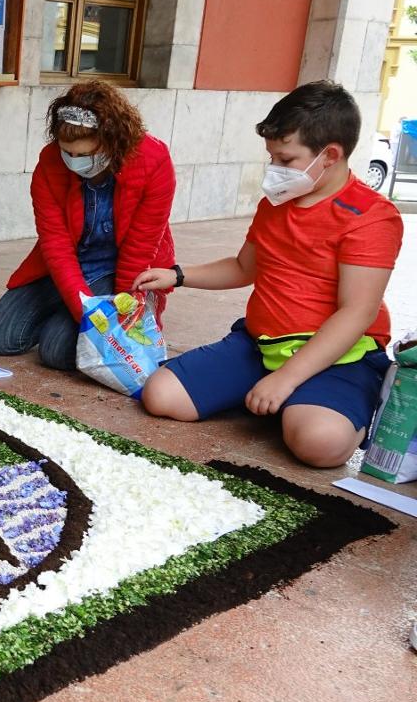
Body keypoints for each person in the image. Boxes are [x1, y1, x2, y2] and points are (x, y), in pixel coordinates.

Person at [135, 81, 402, 468]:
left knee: (320, 445)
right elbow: (244, 267)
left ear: (329, 155)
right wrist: (177, 275)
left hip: (339, 357)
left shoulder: (371, 217)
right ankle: (283, 401)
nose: (275, 169)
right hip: (261, 344)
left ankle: (318, 401)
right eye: (272, 157)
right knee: (160, 396)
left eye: (286, 159)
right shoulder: (275, 204)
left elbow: (356, 313)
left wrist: (287, 378)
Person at [0, 80, 176, 369]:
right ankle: (70, 306)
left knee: (55, 351)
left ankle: (82, 311)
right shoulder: (49, 164)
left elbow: (140, 245)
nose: (74, 162)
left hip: (118, 267)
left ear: (112, 142)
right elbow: (55, 244)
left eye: (85, 155)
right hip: (67, 263)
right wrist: (80, 305)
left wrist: (123, 310)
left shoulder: (153, 160)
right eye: (67, 152)